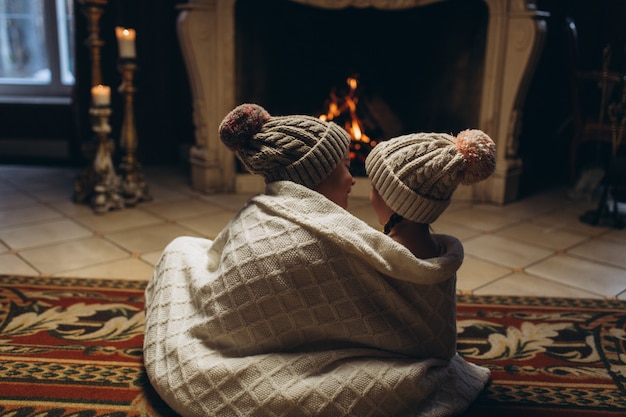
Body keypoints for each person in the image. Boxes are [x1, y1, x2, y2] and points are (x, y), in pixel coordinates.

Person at [143, 103, 492, 417]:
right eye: (343, 166)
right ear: (315, 177)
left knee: (182, 249)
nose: (353, 179)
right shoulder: (281, 225)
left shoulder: (335, 233)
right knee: (183, 249)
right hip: (221, 329)